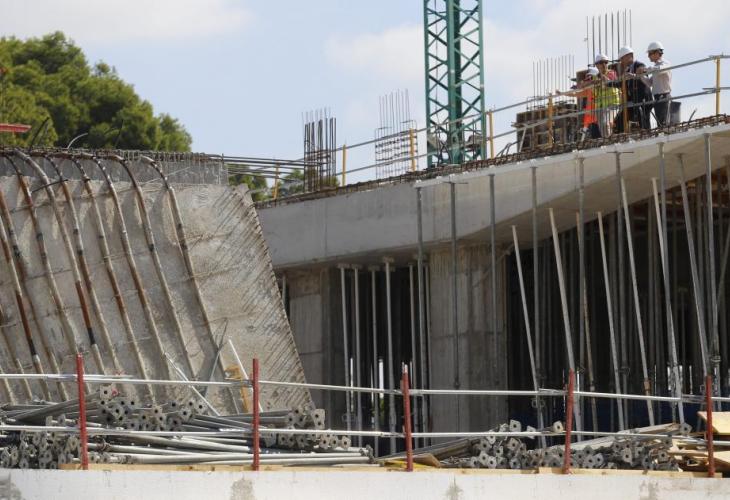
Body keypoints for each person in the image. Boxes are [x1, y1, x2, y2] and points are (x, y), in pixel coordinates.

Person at [611, 46, 653, 132]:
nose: (621, 62)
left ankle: (646, 134)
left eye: (622, 58)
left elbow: (642, 73)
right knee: (619, 121)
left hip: (643, 100)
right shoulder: (628, 70)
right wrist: (609, 83)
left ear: (629, 56)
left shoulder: (639, 65)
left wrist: (634, 75)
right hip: (634, 101)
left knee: (644, 122)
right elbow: (621, 84)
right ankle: (621, 136)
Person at [592, 54, 620, 137]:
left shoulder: (612, 73)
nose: (604, 64)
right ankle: (606, 140)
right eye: (601, 62)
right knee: (602, 127)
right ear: (596, 65)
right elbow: (595, 92)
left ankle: (608, 142)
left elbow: (608, 81)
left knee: (606, 123)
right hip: (600, 107)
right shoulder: (595, 78)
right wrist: (594, 83)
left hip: (612, 105)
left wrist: (600, 79)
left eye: (606, 62)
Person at [646, 41, 672, 127]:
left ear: (657, 53)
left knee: (663, 123)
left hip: (664, 96)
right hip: (657, 98)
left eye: (650, 54)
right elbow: (649, 83)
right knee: (660, 123)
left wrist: (647, 69)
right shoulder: (655, 67)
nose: (648, 56)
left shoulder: (665, 63)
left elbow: (660, 69)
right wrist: (639, 76)